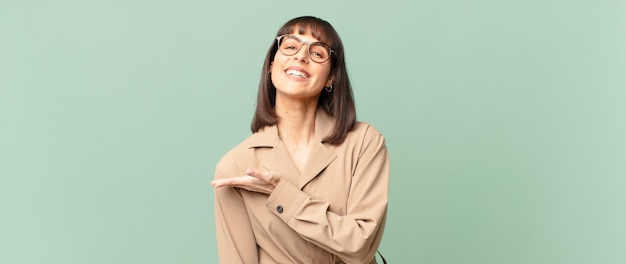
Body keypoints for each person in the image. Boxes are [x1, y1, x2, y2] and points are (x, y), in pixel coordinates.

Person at [211, 16, 389, 264]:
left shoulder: (364, 142)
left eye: (317, 53)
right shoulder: (235, 166)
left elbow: (360, 246)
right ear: (272, 64)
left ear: (331, 78)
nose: (301, 56)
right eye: (290, 46)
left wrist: (282, 195)